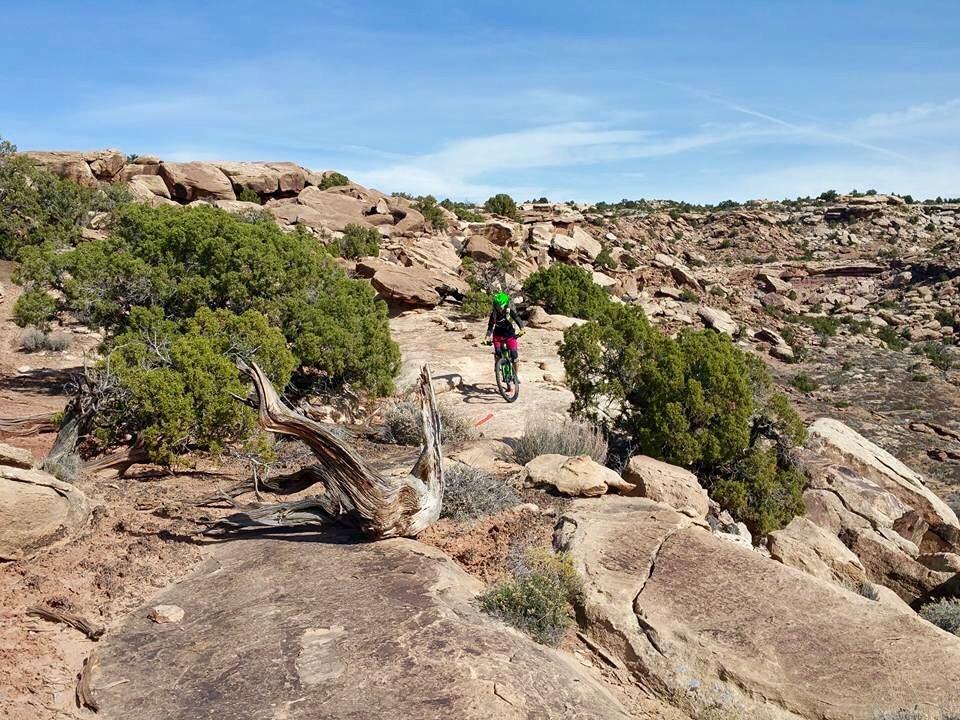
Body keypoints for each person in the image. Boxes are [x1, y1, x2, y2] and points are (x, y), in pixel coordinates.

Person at [483, 291, 525, 385]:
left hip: (509, 335)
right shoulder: (493, 314)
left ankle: (516, 376)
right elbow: (490, 327)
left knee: (514, 355)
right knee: (498, 353)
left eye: (501, 306)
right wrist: (486, 338)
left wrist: (522, 329)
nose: (500, 308)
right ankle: (497, 366)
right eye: (498, 306)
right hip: (497, 336)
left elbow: (517, 319)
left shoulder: (509, 312)